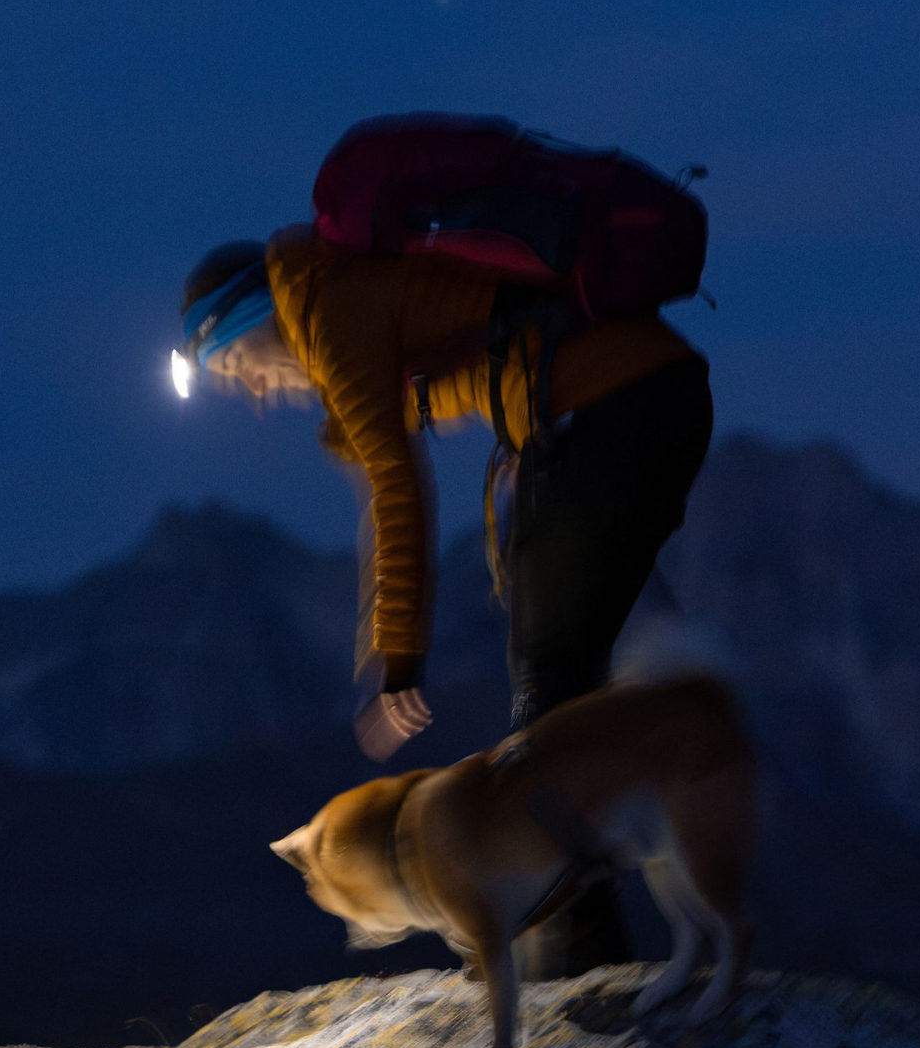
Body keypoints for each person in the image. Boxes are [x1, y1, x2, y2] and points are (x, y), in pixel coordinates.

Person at [179, 221, 713, 977]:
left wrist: (399, 657)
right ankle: (588, 912)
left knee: (550, 683)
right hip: (622, 408)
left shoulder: (329, 313)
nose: (253, 391)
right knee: (560, 661)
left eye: (235, 365)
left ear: (255, 317)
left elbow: (396, 490)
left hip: (620, 406)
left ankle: (573, 955)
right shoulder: (341, 307)